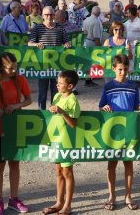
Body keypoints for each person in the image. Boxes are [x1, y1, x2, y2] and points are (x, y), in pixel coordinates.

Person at [99, 54, 140, 211]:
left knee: (128, 163)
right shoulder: (108, 87)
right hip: (113, 131)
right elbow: (101, 106)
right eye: (120, 69)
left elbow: (135, 105)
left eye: (126, 69)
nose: (123, 72)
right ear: (113, 69)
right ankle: (111, 196)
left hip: (129, 130)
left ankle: (128, 196)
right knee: (111, 164)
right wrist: (104, 108)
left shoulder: (133, 86)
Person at [0, 52, 32, 215]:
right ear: (1, 67)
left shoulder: (20, 80)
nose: (14, 70)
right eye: (10, 68)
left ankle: (14, 199)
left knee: (14, 164)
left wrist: (16, 105)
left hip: (15, 128)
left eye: (15, 67)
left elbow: (29, 99)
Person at [42, 70, 81, 215]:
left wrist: (62, 111)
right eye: (57, 83)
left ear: (70, 86)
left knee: (67, 172)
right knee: (58, 171)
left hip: (67, 142)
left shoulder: (73, 100)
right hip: (56, 140)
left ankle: (68, 205)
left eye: (60, 83)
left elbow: (73, 124)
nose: (57, 85)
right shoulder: (57, 96)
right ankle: (59, 202)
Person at [28, 6, 70, 109]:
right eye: (46, 14)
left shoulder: (60, 28)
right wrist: (36, 44)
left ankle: (54, 110)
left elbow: (66, 41)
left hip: (57, 66)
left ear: (54, 15)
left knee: (56, 91)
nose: (49, 17)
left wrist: (67, 44)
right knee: (42, 91)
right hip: (43, 66)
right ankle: (41, 112)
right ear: (42, 16)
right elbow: (29, 43)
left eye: (51, 14)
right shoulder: (37, 28)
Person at [124, 7, 140, 71]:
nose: (126, 14)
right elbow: (121, 26)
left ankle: (136, 78)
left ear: (131, 13)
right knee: (129, 63)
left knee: (135, 62)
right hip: (129, 46)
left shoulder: (138, 21)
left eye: (128, 13)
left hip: (137, 46)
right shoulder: (128, 21)